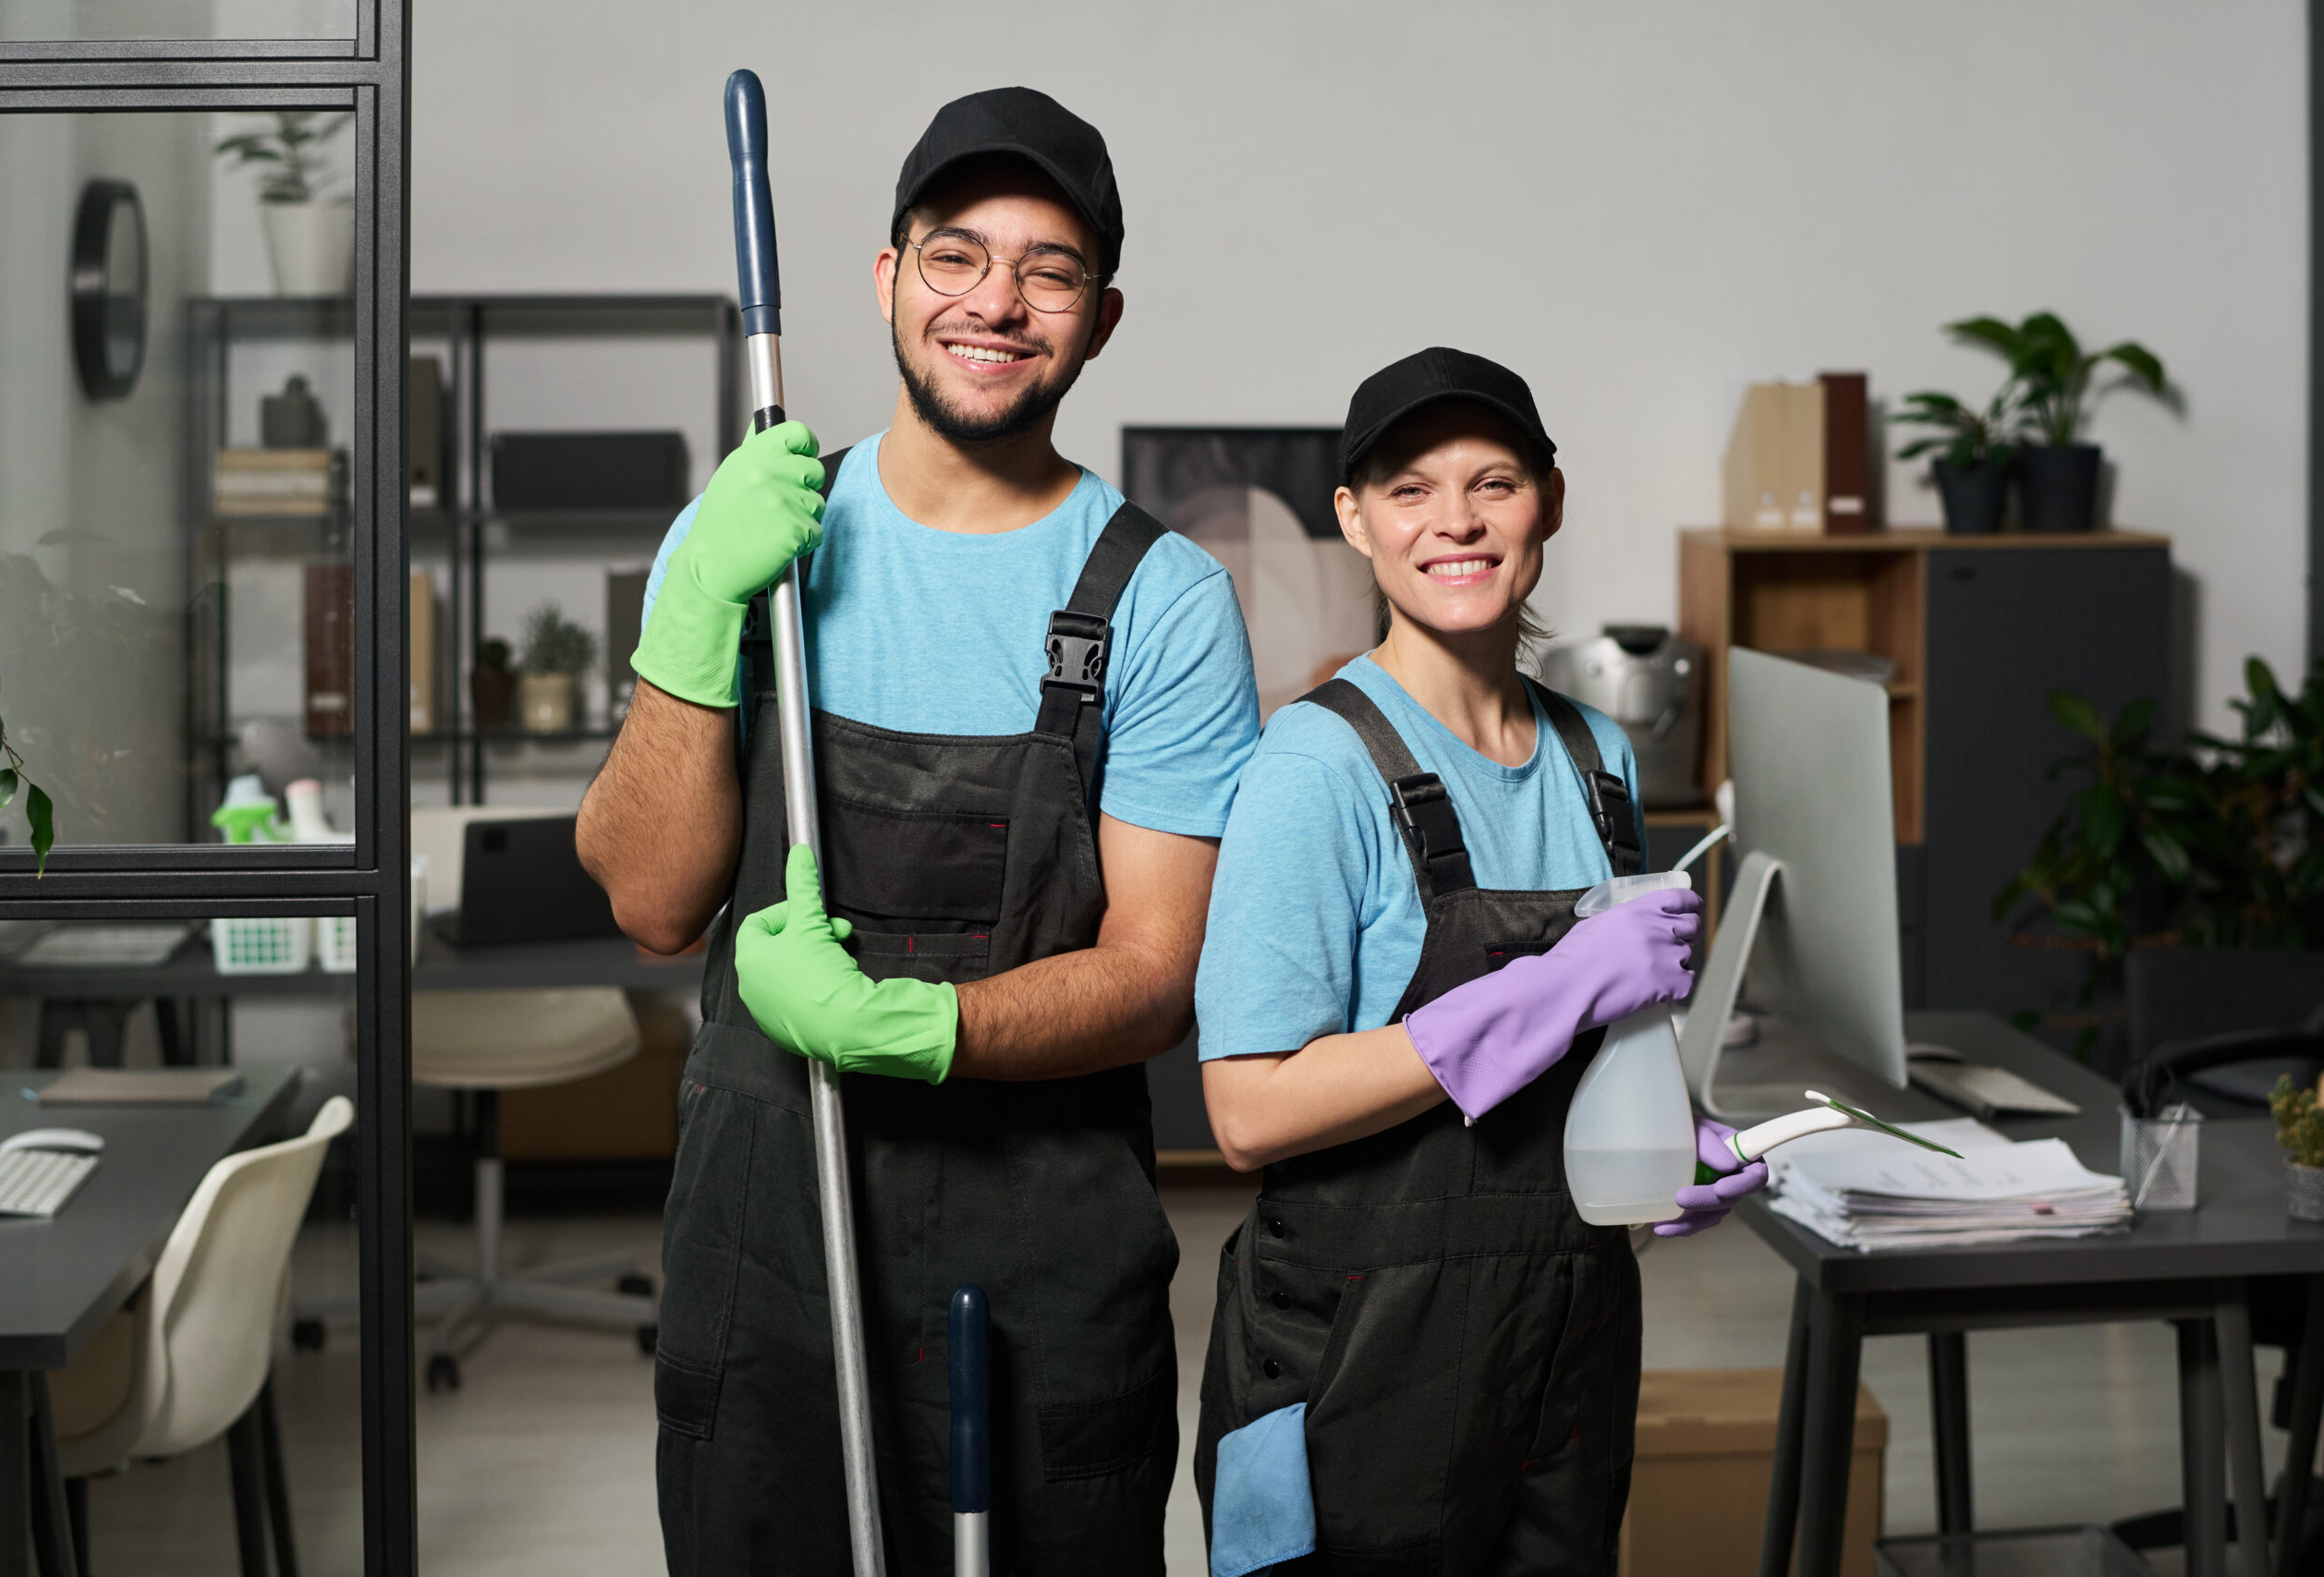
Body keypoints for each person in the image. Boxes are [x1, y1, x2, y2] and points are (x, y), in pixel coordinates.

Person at [576, 88, 1260, 1575]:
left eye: (1049, 269)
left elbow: (1157, 973)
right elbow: (647, 896)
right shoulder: (751, 539)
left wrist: (923, 1031)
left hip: (1046, 1250)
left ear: (1102, 315)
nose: (996, 302)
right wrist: (697, 617)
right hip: (771, 1237)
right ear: (889, 280)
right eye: (956, 256)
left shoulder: (1163, 601)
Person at [1188, 348, 1766, 1576]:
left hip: (1564, 1354)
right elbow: (1244, 1112)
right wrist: (1542, 994)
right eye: (1410, 489)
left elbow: (1615, 1051)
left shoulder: (1597, 753)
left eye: (1492, 483)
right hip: (1356, 1361)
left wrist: (1678, 1133)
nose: (1455, 521)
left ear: (1547, 500)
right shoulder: (1315, 770)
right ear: (1355, 519)